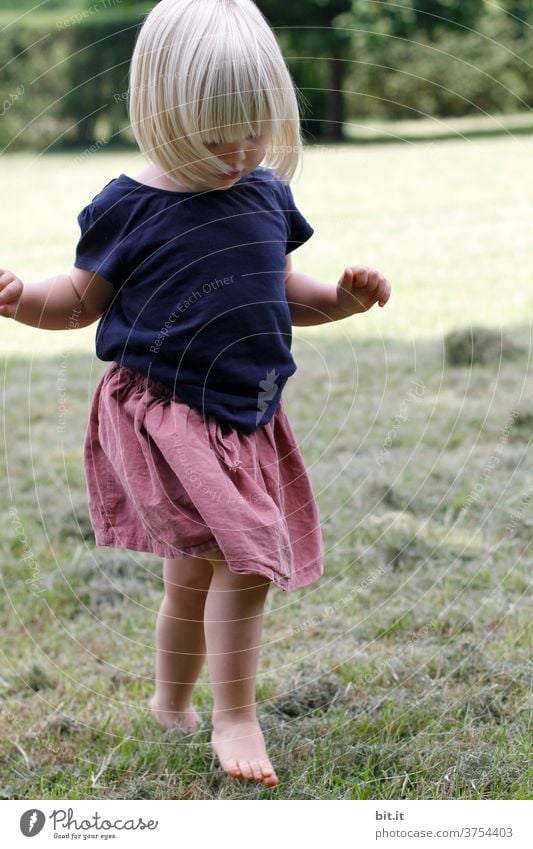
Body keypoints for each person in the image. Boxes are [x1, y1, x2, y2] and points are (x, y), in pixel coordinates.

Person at [0, 0, 390, 788]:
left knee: (194, 569)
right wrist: (19, 299)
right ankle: (233, 714)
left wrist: (342, 298)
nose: (238, 148)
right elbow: (80, 299)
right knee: (241, 563)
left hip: (245, 416)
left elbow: (283, 293)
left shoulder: (263, 193)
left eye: (254, 128)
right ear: (159, 108)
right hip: (164, 417)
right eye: (215, 131)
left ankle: (169, 699)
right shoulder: (128, 205)